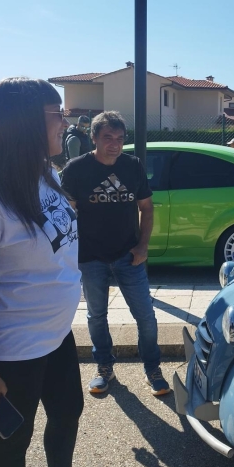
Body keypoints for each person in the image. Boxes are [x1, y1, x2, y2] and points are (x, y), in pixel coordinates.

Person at [0, 77, 82, 467]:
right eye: (56, 114)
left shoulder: (47, 174)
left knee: (67, 414)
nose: (65, 122)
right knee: (12, 442)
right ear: (24, 122)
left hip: (54, 334)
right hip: (10, 351)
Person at [61, 111, 170, 396]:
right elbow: (66, 213)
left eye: (120, 138)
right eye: (107, 137)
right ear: (94, 137)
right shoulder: (76, 169)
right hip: (90, 257)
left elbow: (146, 208)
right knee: (97, 316)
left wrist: (143, 246)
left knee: (145, 316)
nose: (114, 144)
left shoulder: (132, 166)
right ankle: (104, 369)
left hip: (128, 255)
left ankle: (152, 369)